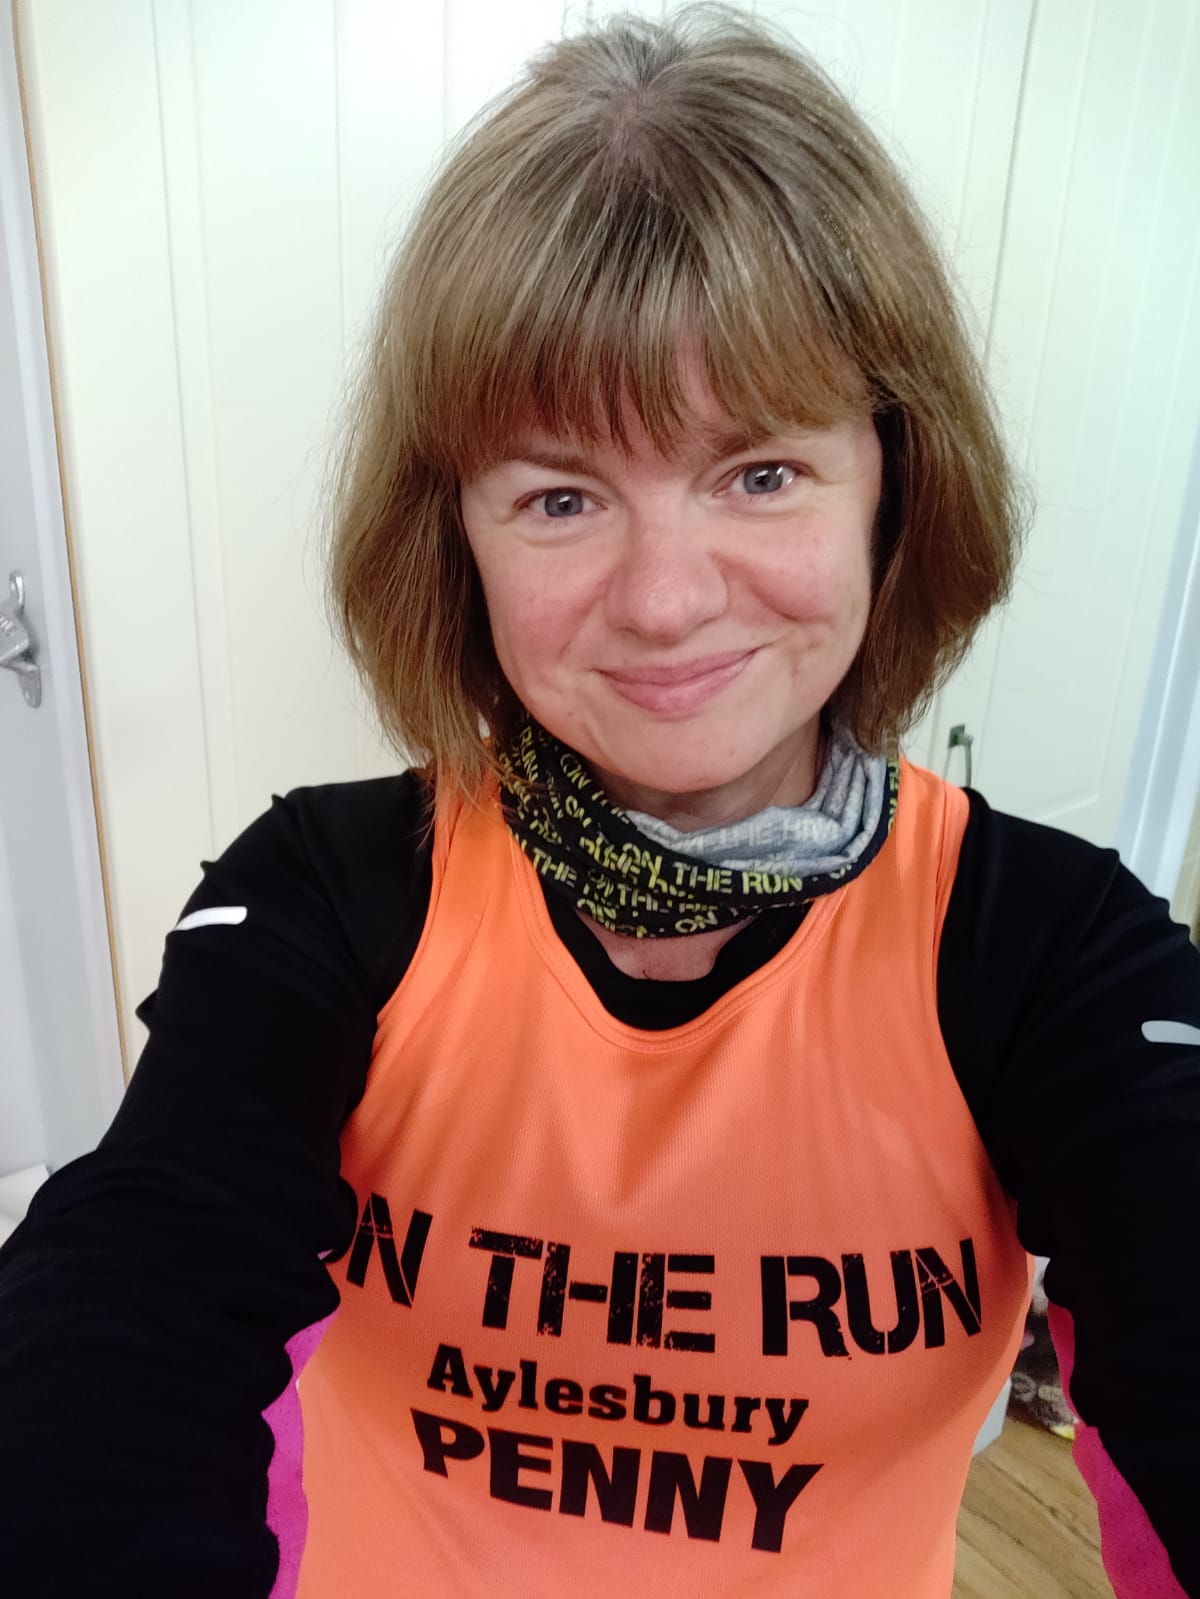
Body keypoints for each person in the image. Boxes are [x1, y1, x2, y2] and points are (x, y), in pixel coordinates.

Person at [1, 7, 1198, 1597]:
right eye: (562, 495)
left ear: (892, 487)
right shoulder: (333, 893)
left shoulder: (1046, 949)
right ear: (457, 541)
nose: (665, 599)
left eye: (758, 473)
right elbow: (132, 1292)